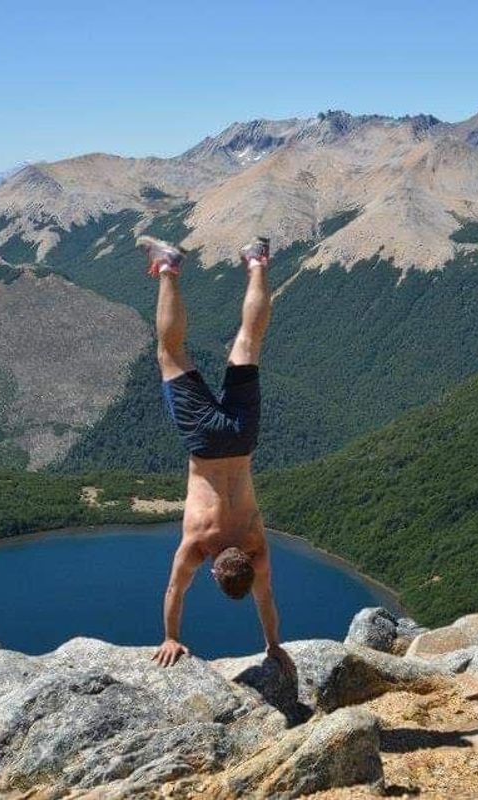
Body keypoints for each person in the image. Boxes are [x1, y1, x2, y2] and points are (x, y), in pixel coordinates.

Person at [136, 233, 294, 673]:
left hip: (242, 439)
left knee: (248, 343)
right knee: (170, 353)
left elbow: (267, 603)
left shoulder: (257, 549)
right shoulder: (198, 544)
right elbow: (174, 592)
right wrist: (171, 637)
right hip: (205, 443)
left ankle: (258, 261)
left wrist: (275, 643)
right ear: (214, 569)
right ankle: (167, 267)